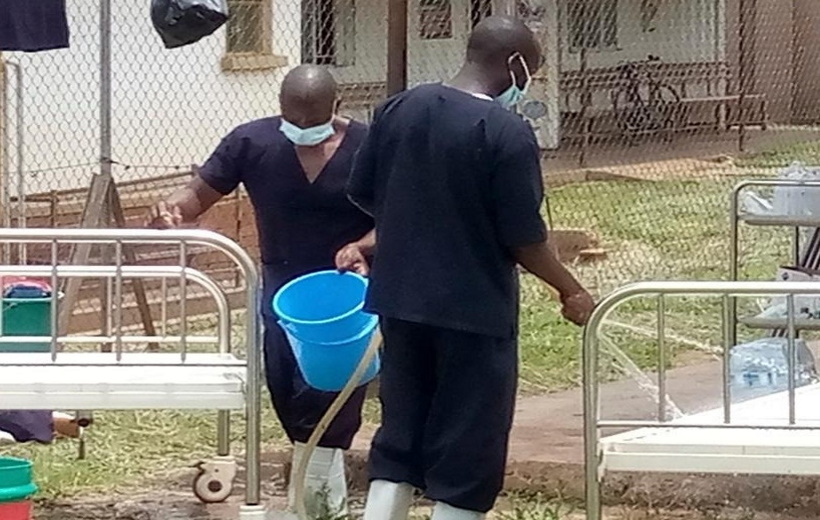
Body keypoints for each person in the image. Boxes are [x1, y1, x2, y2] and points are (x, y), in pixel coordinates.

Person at [341, 15, 596, 520]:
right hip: (473, 311)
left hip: (401, 302)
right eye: (532, 72)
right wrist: (572, 290)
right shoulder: (506, 132)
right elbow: (525, 239)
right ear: (517, 65)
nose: (528, 84)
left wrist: (418, 226)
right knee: (469, 444)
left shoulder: (396, 109)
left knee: (401, 431)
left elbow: (367, 194)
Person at [146, 64, 373, 515]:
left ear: (337, 108)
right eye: (295, 118)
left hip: (344, 290)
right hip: (280, 289)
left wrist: (364, 244)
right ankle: (312, 493)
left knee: (329, 396)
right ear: (280, 109)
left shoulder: (369, 147)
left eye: (315, 121)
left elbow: (401, 213)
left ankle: (320, 505)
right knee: (286, 393)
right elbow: (198, 195)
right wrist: (173, 208)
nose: (304, 129)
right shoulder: (252, 142)